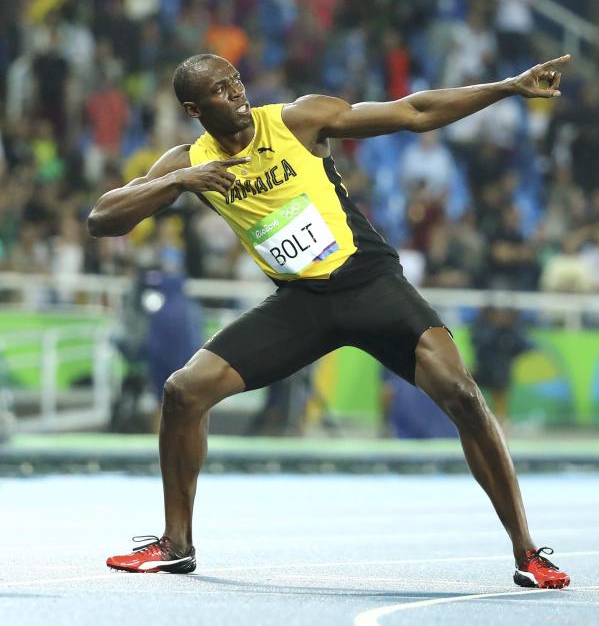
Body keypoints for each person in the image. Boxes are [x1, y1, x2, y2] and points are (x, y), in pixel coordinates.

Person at [88, 52, 572, 589]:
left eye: (238, 82)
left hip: (370, 284)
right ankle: (176, 544)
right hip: (300, 304)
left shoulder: (298, 120)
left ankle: (528, 552)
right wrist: (181, 182)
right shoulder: (189, 160)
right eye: (223, 92)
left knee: (461, 392)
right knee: (183, 392)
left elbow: (414, 112)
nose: (239, 95)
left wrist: (508, 86)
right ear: (193, 108)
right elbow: (102, 218)